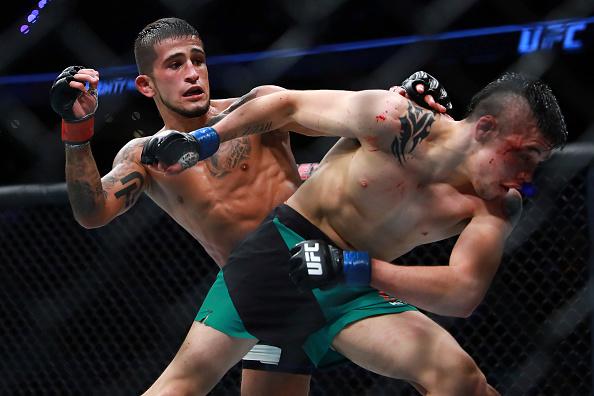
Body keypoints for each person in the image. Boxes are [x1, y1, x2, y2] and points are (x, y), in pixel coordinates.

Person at [49, 17, 451, 396]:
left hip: (325, 271)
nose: (193, 73)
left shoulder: (260, 109)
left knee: (451, 378)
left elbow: (348, 118)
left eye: (198, 60)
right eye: (175, 65)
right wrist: (77, 132)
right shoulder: (144, 156)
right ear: (147, 85)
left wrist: (398, 102)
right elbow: (92, 212)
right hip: (262, 301)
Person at [141, 72, 566, 395]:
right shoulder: (395, 118)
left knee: (459, 379)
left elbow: (462, 293)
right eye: (522, 155)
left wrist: (352, 267)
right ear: (486, 128)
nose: (526, 176)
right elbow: (286, 106)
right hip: (281, 257)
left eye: (537, 162)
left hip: (352, 281)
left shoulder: (498, 204)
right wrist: (204, 139)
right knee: (183, 385)